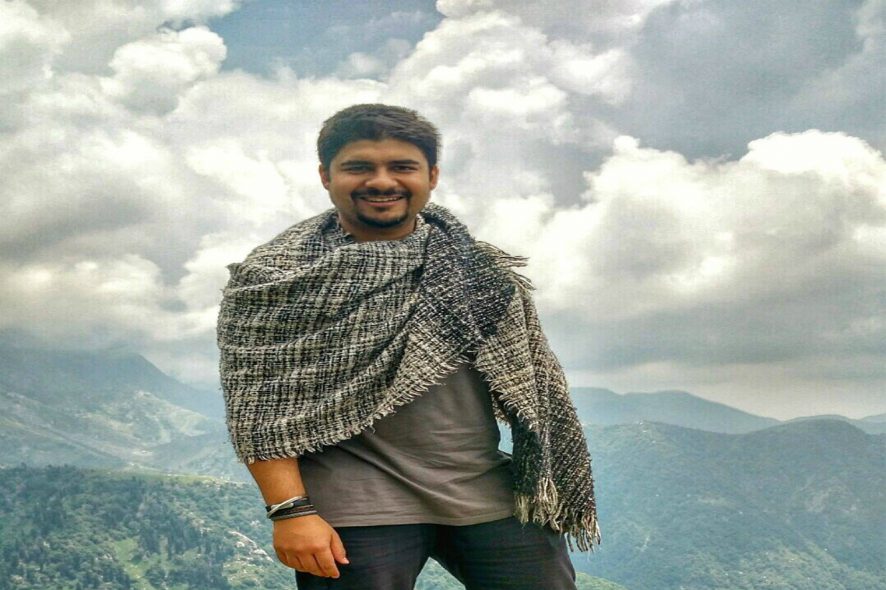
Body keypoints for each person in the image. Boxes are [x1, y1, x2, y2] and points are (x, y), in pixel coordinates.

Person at [217, 104, 600, 590]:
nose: (382, 181)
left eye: (402, 166)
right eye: (359, 167)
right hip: (354, 502)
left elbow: (535, 387)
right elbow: (257, 411)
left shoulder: (479, 273)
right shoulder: (274, 281)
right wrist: (290, 511)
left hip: (483, 488)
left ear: (431, 176)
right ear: (325, 175)